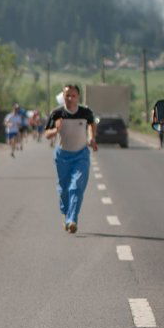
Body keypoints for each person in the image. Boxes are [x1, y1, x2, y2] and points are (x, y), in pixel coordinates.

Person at [43, 84, 98, 234]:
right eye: (67, 95)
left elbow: (91, 125)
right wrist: (56, 129)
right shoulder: (57, 113)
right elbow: (47, 134)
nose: (70, 98)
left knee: (76, 186)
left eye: (73, 95)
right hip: (62, 156)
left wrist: (92, 138)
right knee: (64, 189)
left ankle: (72, 219)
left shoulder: (85, 112)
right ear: (63, 96)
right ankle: (66, 214)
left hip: (81, 155)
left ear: (78, 97)